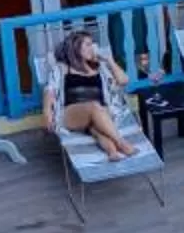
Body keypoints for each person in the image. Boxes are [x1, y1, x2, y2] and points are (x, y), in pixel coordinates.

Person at [44, 27, 139, 161]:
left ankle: (112, 152)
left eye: (92, 44)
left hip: (100, 113)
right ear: (76, 48)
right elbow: (50, 90)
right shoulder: (62, 68)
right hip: (72, 113)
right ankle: (121, 143)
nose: (93, 48)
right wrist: (47, 112)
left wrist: (109, 60)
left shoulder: (99, 67)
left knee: (96, 127)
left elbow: (124, 80)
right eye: (88, 44)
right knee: (94, 106)